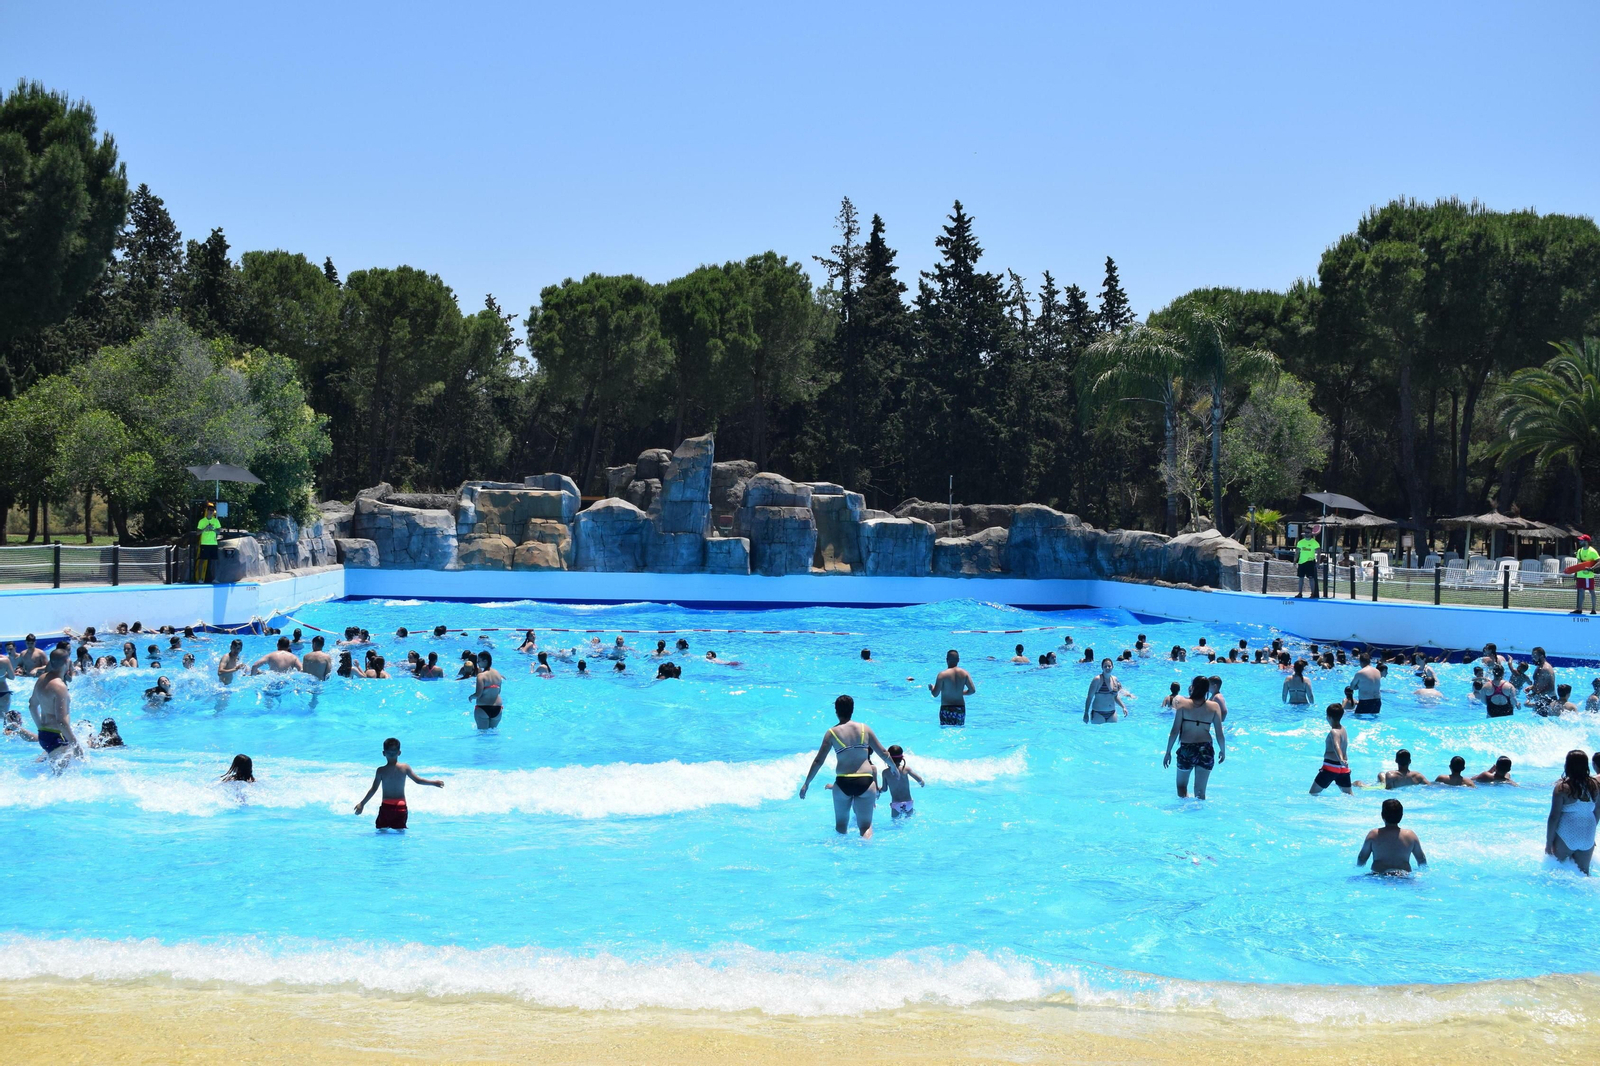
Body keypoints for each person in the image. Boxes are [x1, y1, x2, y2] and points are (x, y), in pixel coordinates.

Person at [798, 694, 897, 838]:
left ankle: (842, 857)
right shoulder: (864, 729)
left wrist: (807, 783)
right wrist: (893, 768)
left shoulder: (831, 733)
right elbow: (882, 752)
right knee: (865, 826)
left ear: (836, 711)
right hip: (865, 781)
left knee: (841, 826)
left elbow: (819, 761)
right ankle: (866, 854)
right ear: (852, 710)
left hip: (843, 782)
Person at [354, 737, 444, 830]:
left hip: (386, 807)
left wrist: (362, 803)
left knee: (382, 831)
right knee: (400, 832)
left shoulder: (381, 771)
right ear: (399, 752)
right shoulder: (405, 767)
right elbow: (418, 780)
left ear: (384, 753)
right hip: (401, 807)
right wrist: (434, 783)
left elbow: (374, 789)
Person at [1163, 675, 1225, 799]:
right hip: (1206, 750)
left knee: (1181, 787)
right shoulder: (1214, 706)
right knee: (1200, 791)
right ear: (1207, 689)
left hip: (1187, 749)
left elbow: (1175, 731)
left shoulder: (1182, 703)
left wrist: (1168, 751)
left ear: (1193, 688)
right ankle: (1200, 816)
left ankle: (1184, 814)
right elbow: (1219, 733)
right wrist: (1223, 750)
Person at [1545, 749, 1599, 875]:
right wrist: (1590, 834)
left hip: (1566, 833)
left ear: (1567, 765)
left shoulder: (1562, 787)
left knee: (1557, 873)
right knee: (1584, 874)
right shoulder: (1596, 786)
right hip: (1588, 834)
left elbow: (1554, 817)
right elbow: (1597, 811)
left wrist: (1548, 843)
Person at [27, 648, 78, 767]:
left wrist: (40, 727)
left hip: (44, 735)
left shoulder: (42, 678)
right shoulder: (59, 686)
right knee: (62, 778)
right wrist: (75, 745)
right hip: (57, 737)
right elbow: (61, 721)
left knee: (57, 777)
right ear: (66, 662)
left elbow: (32, 705)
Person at [1357, 799, 1427, 874]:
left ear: (1382, 815)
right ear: (1401, 816)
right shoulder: (1410, 835)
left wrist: (1358, 867)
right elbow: (1421, 859)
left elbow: (1362, 858)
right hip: (1403, 875)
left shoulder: (1374, 834)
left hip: (1379, 874)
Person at [1309, 704, 1353, 795]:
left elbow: (1336, 746)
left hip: (1331, 767)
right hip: (1343, 769)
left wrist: (1340, 759)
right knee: (1349, 795)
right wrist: (1342, 762)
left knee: (1313, 793)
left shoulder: (1334, 732)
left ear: (1329, 717)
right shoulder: (1343, 729)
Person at [929, 649, 975, 726]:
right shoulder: (965, 673)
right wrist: (961, 692)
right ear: (958, 660)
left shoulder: (942, 675)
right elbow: (972, 690)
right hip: (960, 708)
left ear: (947, 660)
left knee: (945, 732)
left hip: (946, 708)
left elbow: (935, 694)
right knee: (959, 731)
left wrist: (931, 688)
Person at [881, 745, 925, 818]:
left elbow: (884, 789)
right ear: (902, 758)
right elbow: (919, 780)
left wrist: (878, 791)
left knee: (895, 825)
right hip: (908, 803)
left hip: (896, 804)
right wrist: (922, 783)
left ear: (889, 758)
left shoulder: (885, 772)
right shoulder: (906, 769)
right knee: (909, 820)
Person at [1083, 659, 1127, 723]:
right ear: (1102, 668)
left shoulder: (1115, 679)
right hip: (1098, 713)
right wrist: (1086, 713)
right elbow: (1089, 697)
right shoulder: (1097, 680)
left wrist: (1123, 707)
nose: (1107, 668)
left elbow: (1115, 696)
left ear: (1112, 667)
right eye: (1105, 666)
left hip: (1112, 713)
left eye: (1109, 666)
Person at [471, 651, 503, 729]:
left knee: (482, 736)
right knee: (492, 735)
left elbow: (478, 694)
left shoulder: (481, 675)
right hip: (498, 709)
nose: (477, 663)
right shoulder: (498, 674)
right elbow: (498, 691)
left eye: (479, 661)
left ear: (485, 661)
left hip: (483, 709)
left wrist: (471, 697)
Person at [193, 501, 223, 583]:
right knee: (202, 560)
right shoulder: (202, 521)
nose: (211, 511)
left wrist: (213, 529)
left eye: (212, 510)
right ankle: (200, 579)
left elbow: (219, 532)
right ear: (207, 511)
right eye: (209, 510)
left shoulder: (216, 521)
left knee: (214, 562)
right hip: (204, 543)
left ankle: (215, 578)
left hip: (213, 543)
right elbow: (197, 533)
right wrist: (205, 529)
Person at [1571, 534, 1599, 615]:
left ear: (1586, 542)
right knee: (1580, 591)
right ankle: (1579, 609)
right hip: (1580, 575)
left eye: (1581, 540)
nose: (1580, 541)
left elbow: (1599, 561)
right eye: (1580, 540)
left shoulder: (1592, 551)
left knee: (1591, 592)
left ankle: (1593, 610)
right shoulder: (1579, 551)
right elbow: (1578, 563)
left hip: (1588, 576)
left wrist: (1592, 568)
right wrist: (1576, 573)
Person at [1295, 525, 1322, 598]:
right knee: (1301, 578)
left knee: (1311, 578)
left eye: (1308, 532)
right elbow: (1297, 552)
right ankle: (1300, 593)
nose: (1306, 533)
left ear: (1311, 533)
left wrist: (1318, 562)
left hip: (1310, 562)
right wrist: (1295, 561)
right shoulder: (1300, 542)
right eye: (1305, 532)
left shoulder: (1314, 543)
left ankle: (1312, 594)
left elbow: (1319, 553)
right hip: (1301, 563)